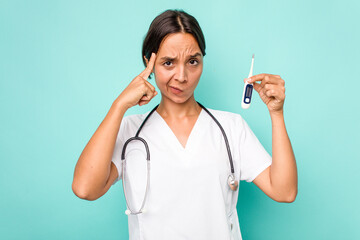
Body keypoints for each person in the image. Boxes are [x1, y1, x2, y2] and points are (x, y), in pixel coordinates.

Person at [72, 9, 297, 240]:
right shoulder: (130, 131)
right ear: (149, 62)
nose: (182, 75)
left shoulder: (231, 127)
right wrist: (118, 106)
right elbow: (85, 188)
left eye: (192, 62)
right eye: (168, 63)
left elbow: (284, 190)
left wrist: (276, 113)